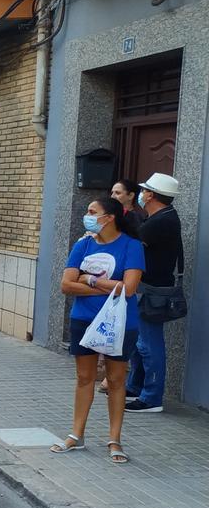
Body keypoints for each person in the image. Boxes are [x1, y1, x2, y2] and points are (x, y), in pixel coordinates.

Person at [50, 197, 144, 464]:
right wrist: (104, 283)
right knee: (84, 377)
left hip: (120, 323)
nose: (87, 216)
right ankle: (76, 435)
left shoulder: (132, 246)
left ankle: (115, 440)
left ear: (110, 217)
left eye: (93, 212)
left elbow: (129, 289)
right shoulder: (83, 245)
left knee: (115, 380)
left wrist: (88, 278)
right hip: (84, 319)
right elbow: (66, 285)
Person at [126, 172, 183, 414]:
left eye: (144, 191)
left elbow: (133, 244)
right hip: (149, 287)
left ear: (150, 195)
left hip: (153, 290)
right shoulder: (162, 217)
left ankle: (151, 397)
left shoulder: (161, 221)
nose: (141, 194)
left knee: (149, 344)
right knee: (141, 343)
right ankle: (136, 386)